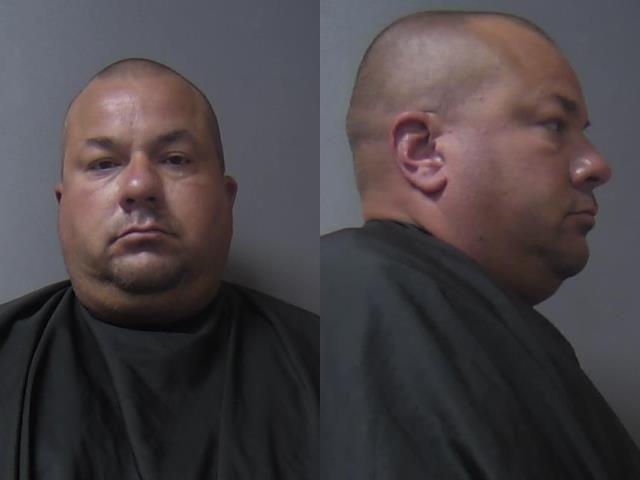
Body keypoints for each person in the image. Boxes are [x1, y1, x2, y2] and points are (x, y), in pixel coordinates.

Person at [322, 11, 640, 479]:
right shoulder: (368, 301)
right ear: (423, 152)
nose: (596, 165)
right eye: (555, 125)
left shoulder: (454, 317)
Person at [0, 58, 317, 479]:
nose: (139, 186)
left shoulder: (328, 365)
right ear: (63, 204)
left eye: (175, 159)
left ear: (226, 200)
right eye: (103, 163)